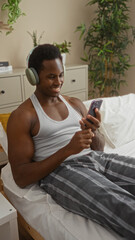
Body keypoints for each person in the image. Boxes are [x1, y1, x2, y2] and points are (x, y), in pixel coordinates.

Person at [7, 44, 135, 240]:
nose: (58, 82)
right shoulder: (23, 116)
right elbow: (21, 177)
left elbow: (98, 148)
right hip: (62, 171)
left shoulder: (74, 103)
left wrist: (93, 130)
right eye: (51, 76)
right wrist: (68, 150)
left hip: (96, 159)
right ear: (33, 76)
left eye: (60, 75)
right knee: (120, 205)